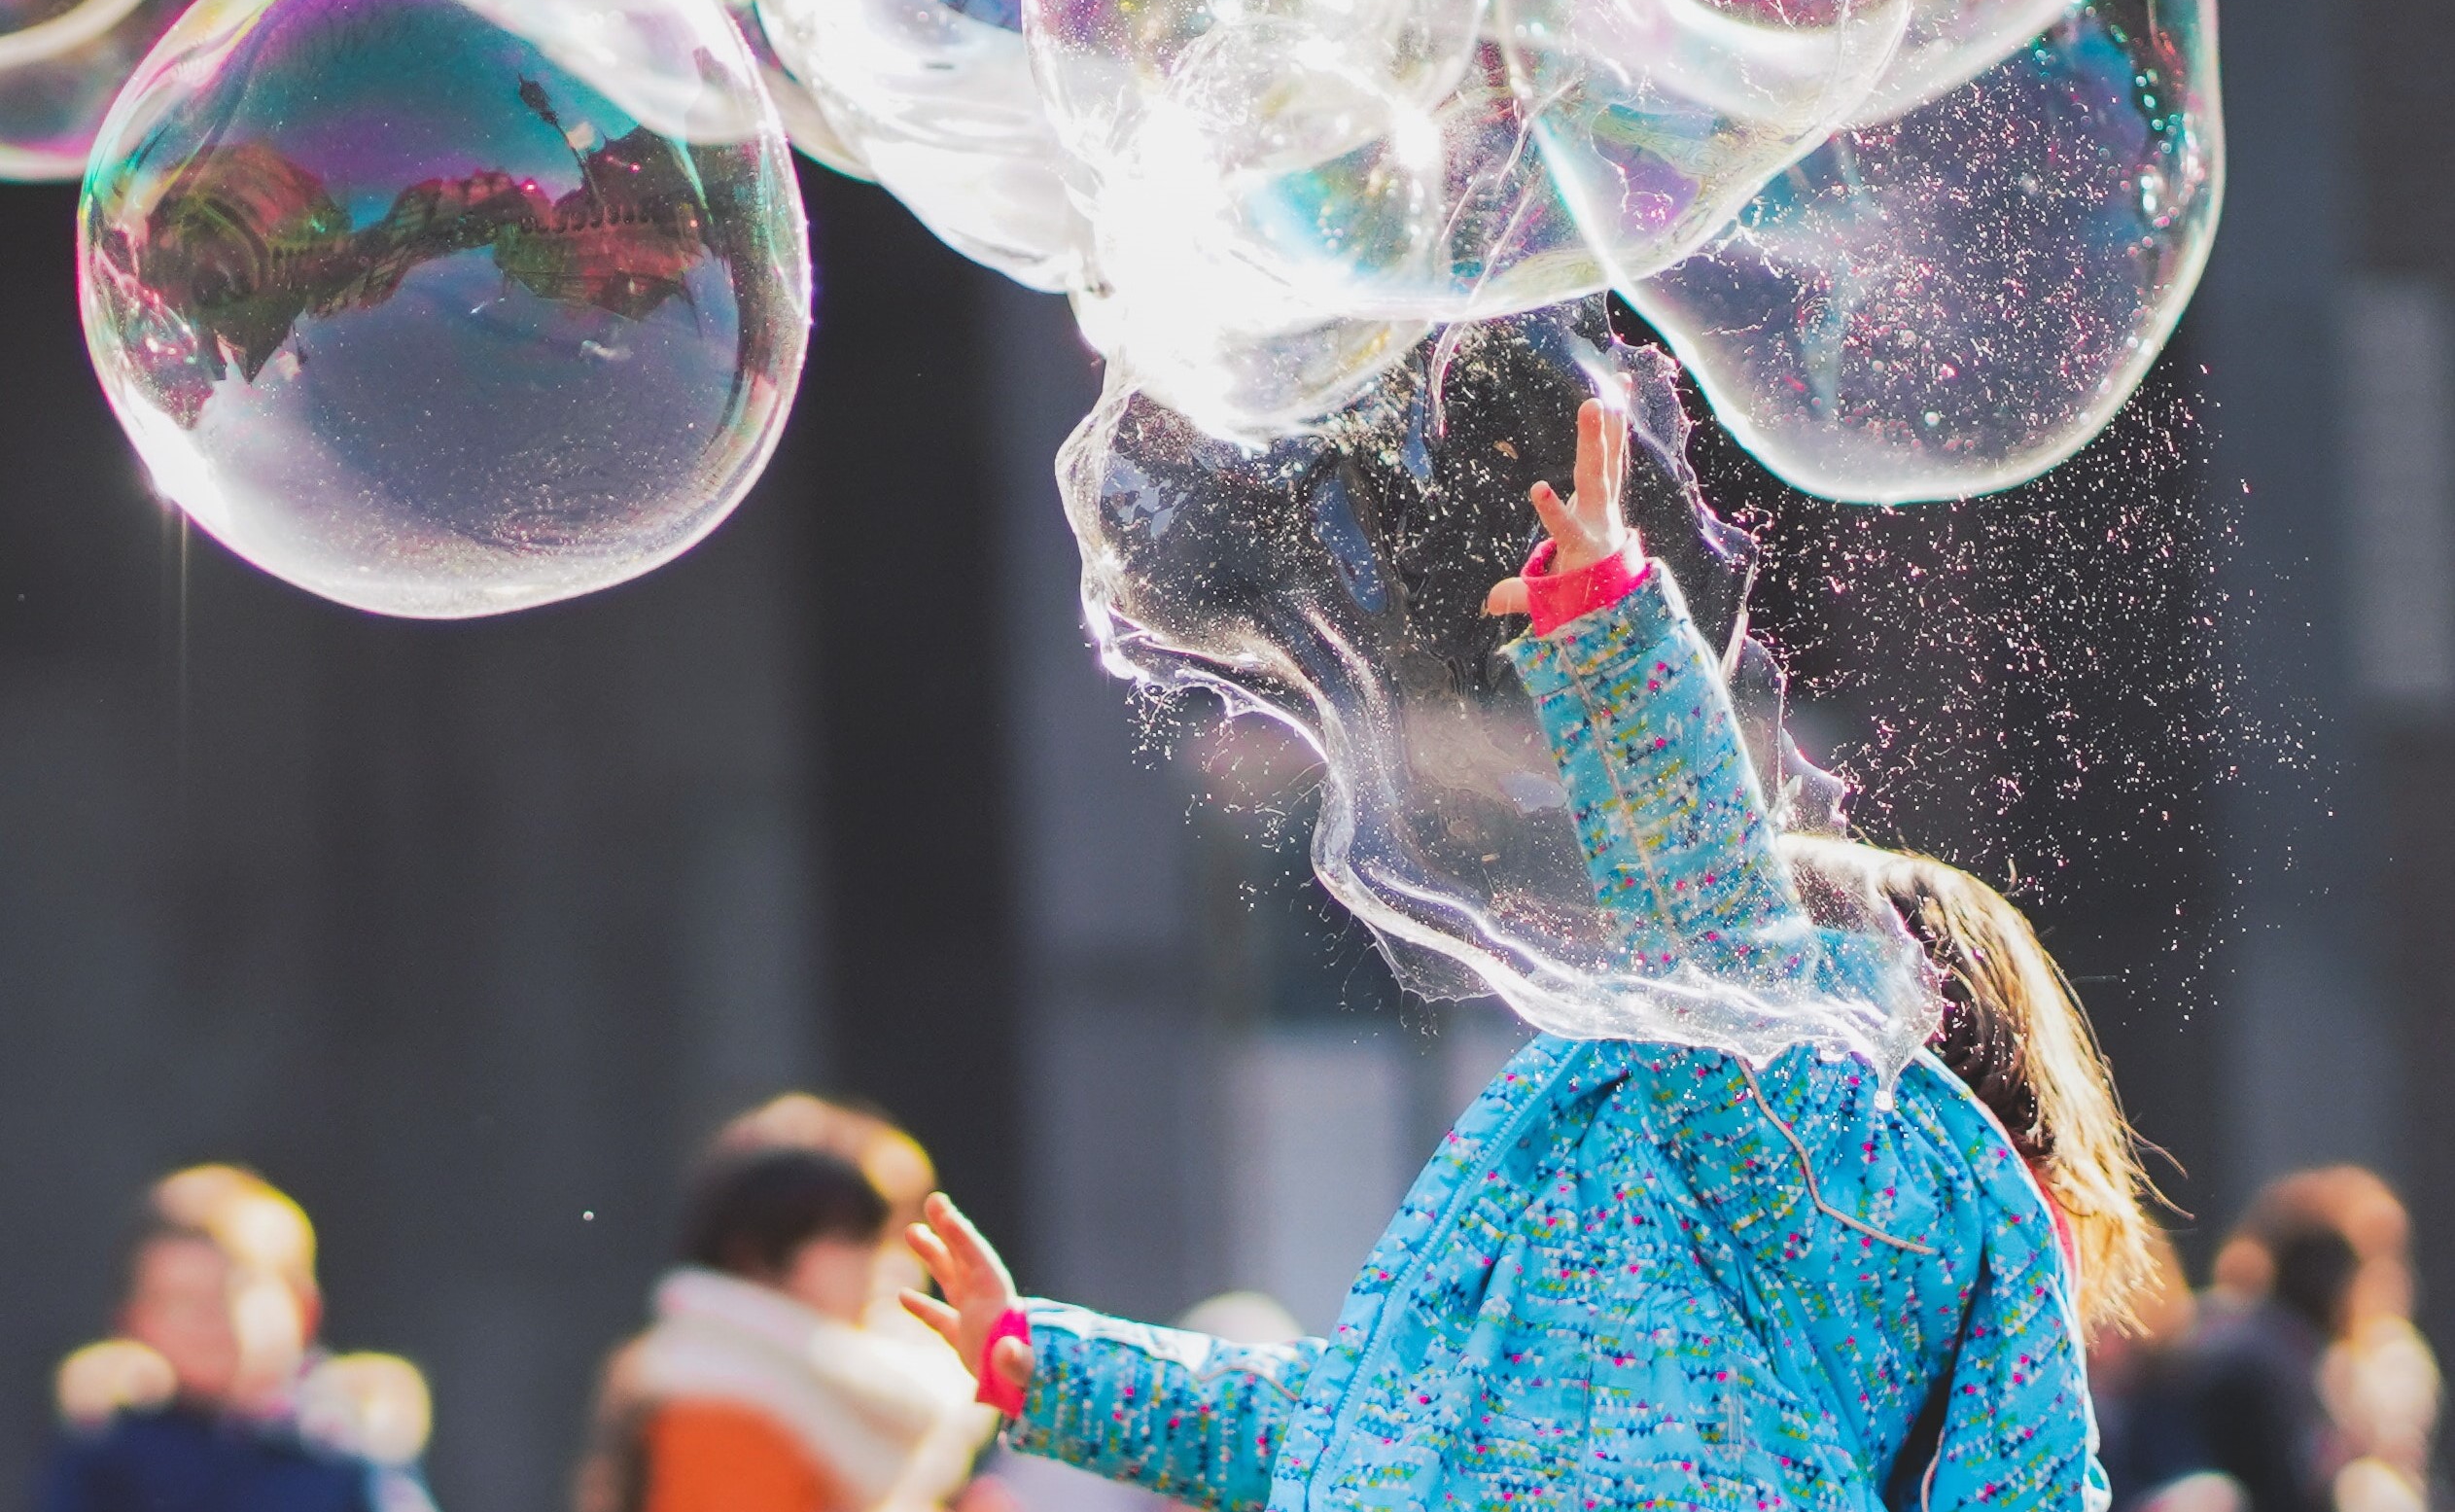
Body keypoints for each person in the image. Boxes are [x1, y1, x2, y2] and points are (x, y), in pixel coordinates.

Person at [900, 395, 2155, 1510]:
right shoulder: (1771, 1202)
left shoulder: (1820, 1161)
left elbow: (1704, 904)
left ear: (1847, 1006)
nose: (1645, 961)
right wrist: (1046, 1364)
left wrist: (1609, 623)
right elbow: (1374, 1421)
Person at [575, 1101, 996, 1512]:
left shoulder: (838, 1389)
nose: (889, 1263)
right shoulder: (714, 1394)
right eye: (853, 1236)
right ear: (754, 1253)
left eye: (892, 1237)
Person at [38, 1164, 437, 1512]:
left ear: (302, 1306)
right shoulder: (108, 1455)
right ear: (132, 1322)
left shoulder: (343, 1451)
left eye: (232, 1294)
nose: (206, 1321)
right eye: (177, 1301)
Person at [2110, 1168, 2440, 1512]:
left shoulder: (2248, 1339)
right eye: (2380, 1263)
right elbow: (2292, 1491)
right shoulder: (2267, 1364)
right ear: (2339, 1280)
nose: (2399, 1283)